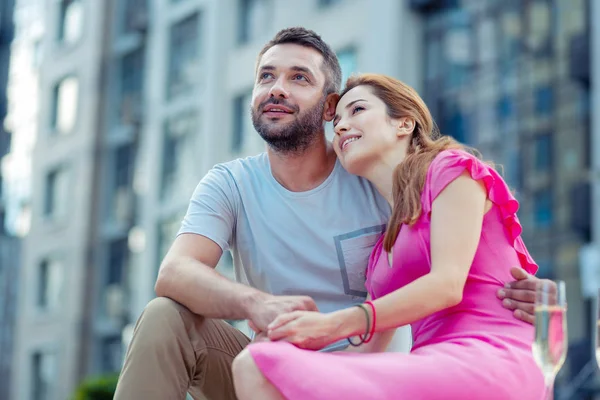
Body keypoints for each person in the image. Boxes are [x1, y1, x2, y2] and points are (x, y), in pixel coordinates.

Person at [114, 28, 544, 400]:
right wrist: (258, 305)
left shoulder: (379, 178)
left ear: (326, 106)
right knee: (165, 316)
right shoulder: (229, 183)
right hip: (283, 363)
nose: (277, 88)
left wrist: (519, 288)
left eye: (299, 77)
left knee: (264, 366)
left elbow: (458, 264)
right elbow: (174, 272)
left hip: (375, 376)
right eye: (266, 76)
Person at [231, 74, 546, 400]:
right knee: (258, 364)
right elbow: (366, 353)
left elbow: (447, 285)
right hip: (429, 364)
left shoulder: (452, 169)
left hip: (491, 356)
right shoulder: (382, 251)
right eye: (336, 121)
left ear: (404, 124)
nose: (340, 127)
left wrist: (334, 324)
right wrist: (293, 336)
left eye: (357, 110)